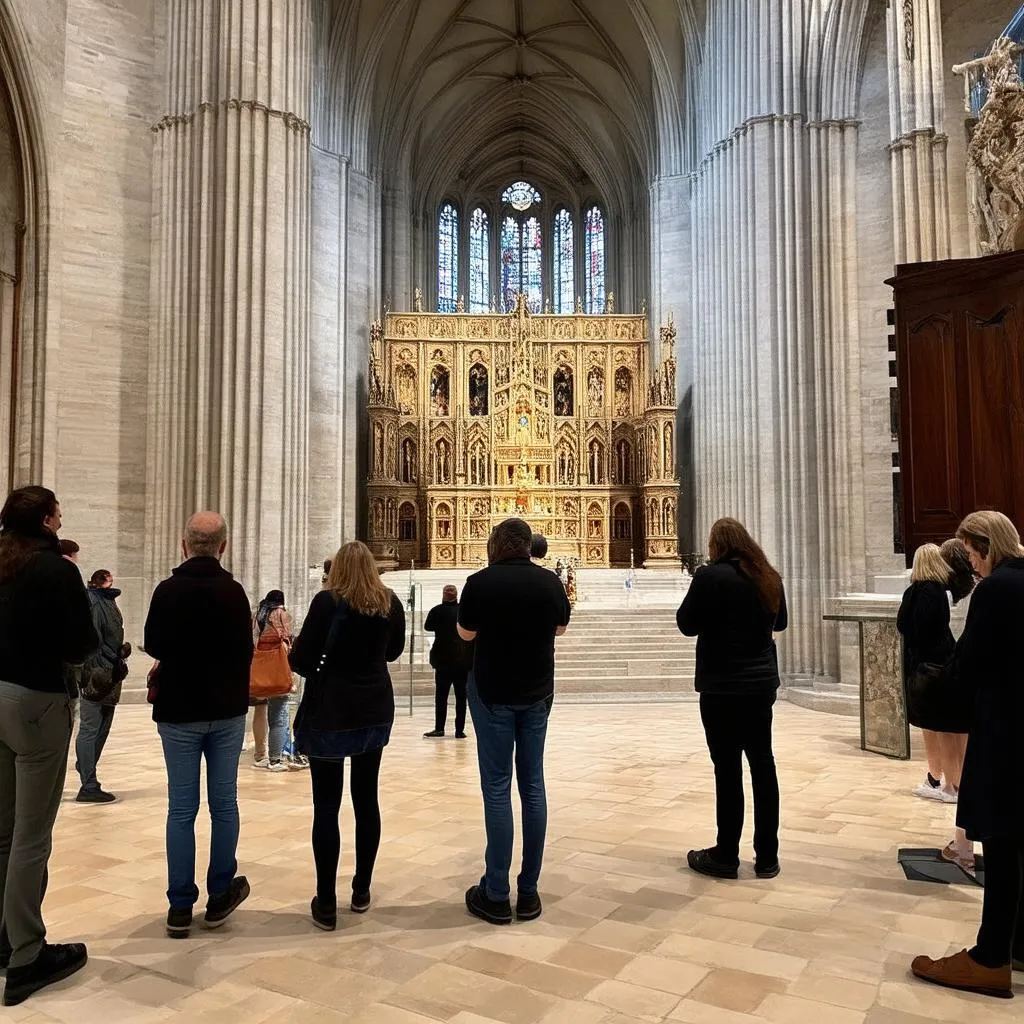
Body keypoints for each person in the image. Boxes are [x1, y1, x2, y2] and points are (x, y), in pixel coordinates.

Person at [912, 510, 1024, 999]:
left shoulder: (997, 588)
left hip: (1006, 729)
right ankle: (1019, 945)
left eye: (972, 555)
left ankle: (989, 958)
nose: (972, 567)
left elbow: (971, 661)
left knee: (1000, 846)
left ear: (984, 547)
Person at [0, 486, 97, 1006]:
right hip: (35, 700)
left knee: (2, 829)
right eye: (58, 513)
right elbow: (82, 642)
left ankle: (3, 938)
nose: (61, 521)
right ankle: (26, 956)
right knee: (31, 835)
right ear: (45, 520)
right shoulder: (54, 568)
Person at [144, 511, 254, 939]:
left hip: (178, 711)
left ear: (184, 544)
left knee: (181, 809)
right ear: (223, 546)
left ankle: (179, 906)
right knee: (224, 804)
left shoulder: (168, 590)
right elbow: (246, 650)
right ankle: (220, 893)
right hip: (226, 711)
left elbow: (153, 643)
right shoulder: (234, 592)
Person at [458, 518, 571, 925]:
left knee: (497, 787)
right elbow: (560, 627)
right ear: (528, 546)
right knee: (534, 786)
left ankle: (495, 891)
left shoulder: (480, 582)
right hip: (537, 692)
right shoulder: (550, 583)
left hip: (493, 693)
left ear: (497, 545)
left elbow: (466, 634)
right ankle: (529, 891)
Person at [289, 541, 406, 930]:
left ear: (337, 568)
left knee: (326, 805)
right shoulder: (389, 602)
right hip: (373, 709)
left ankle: (325, 901)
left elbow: (302, 660)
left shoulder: (327, 602)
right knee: (366, 798)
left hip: (330, 711)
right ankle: (361, 889)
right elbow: (393, 653)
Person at [677, 517, 787, 881]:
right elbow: (780, 622)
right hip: (759, 685)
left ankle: (726, 855)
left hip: (722, 685)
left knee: (727, 770)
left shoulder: (710, 577)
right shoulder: (769, 576)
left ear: (716, 545)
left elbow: (686, 623)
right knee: (763, 766)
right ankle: (768, 857)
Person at [74, 569, 128, 803]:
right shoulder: (95, 603)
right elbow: (94, 640)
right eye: (108, 578)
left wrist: (119, 654)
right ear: (101, 581)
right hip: (97, 673)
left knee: (103, 726)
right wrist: (113, 658)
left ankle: (86, 767)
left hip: (110, 673)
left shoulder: (107, 601)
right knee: (91, 727)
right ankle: (88, 782)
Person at [249, 589, 297, 772]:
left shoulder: (256, 615)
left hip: (257, 668)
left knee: (259, 711)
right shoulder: (281, 614)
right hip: (276, 667)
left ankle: (260, 755)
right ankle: (275, 759)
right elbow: (286, 640)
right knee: (279, 714)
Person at [423, 585, 470, 739]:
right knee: (461, 697)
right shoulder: (463, 610)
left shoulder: (437, 610)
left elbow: (428, 626)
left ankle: (439, 728)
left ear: (443, 595)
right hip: (461, 659)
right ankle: (459, 730)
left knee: (441, 696)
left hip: (442, 659)